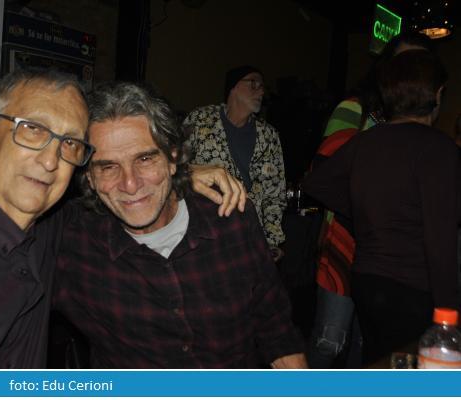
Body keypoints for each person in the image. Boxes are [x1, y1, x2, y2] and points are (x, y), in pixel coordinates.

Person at [0, 68, 245, 368]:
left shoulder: (56, 226)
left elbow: (128, 187)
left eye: (70, 143)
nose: (50, 160)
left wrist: (178, 174)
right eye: (31, 130)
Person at [54, 82, 306, 368]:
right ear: (89, 177)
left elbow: (276, 328)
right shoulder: (71, 239)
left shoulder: (230, 218)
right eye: (108, 167)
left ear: (173, 158)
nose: (130, 184)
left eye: (145, 159)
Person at [303, 50, 460, 365]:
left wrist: (367, 212)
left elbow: (317, 182)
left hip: (367, 279)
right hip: (415, 287)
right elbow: (440, 240)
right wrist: (451, 315)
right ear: (437, 94)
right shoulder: (439, 148)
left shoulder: (367, 140)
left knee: (380, 362)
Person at [184, 66, 287, 259]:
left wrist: (271, 242)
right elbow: (174, 168)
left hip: (249, 238)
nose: (261, 92)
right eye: (254, 84)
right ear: (233, 87)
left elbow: (275, 194)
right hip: (203, 235)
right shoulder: (200, 120)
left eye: (263, 87)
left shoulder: (269, 136)